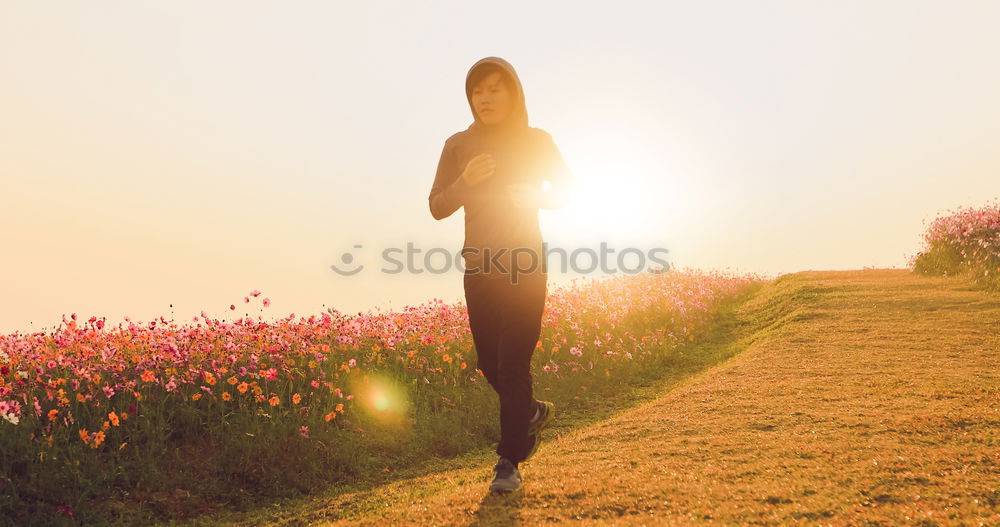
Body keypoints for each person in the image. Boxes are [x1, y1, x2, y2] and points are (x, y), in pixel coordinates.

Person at [427, 56, 573, 493]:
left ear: (514, 93)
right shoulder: (458, 145)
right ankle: (528, 411)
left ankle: (508, 462)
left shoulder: (537, 141)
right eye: (478, 91)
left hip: (526, 265)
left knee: (512, 365)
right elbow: (437, 207)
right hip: (480, 267)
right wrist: (465, 182)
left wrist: (539, 197)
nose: (486, 98)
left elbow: (571, 190)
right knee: (489, 363)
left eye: (495, 88)